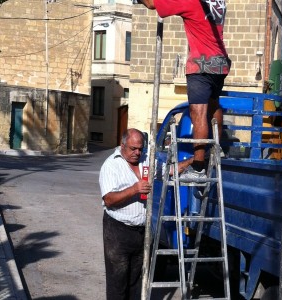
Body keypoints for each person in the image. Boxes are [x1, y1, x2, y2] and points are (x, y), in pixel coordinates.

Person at [139, 0, 231, 178]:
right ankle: (216, 149)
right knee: (214, 105)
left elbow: (151, 4)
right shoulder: (219, 1)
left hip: (200, 64)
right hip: (220, 63)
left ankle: (198, 167)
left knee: (198, 113)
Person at [99, 128, 151, 300]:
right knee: (117, 282)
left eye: (140, 149)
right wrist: (134, 189)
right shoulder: (111, 165)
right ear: (122, 146)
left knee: (136, 282)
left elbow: (169, 171)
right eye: (133, 148)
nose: (137, 152)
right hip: (118, 232)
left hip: (141, 231)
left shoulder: (146, 161)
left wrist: (193, 162)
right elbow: (109, 200)